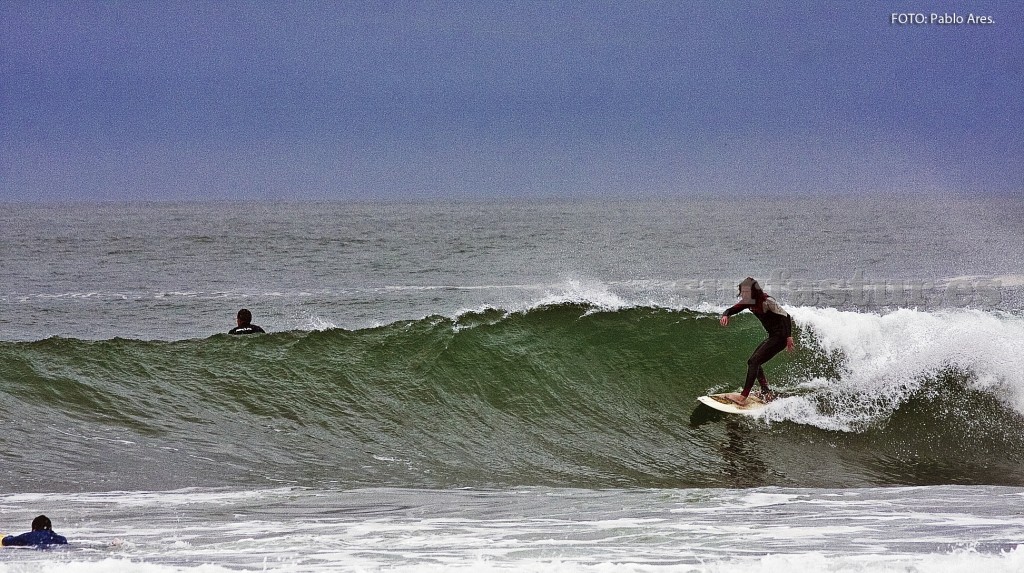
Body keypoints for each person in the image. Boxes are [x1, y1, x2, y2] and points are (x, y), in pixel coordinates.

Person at [719, 277, 795, 405]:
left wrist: (789, 336)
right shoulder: (748, 302)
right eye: (742, 292)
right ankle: (766, 391)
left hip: (780, 337)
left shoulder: (767, 301)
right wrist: (726, 315)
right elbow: (732, 309)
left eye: (746, 292)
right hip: (773, 336)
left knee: (754, 362)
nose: (743, 294)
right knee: (753, 362)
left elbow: (786, 316)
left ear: (753, 291)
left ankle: (743, 397)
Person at [2, 515, 68, 547]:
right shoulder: (61, 539)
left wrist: (9, 537)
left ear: (34, 528)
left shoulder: (27, 537)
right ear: (50, 527)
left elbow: (5, 541)